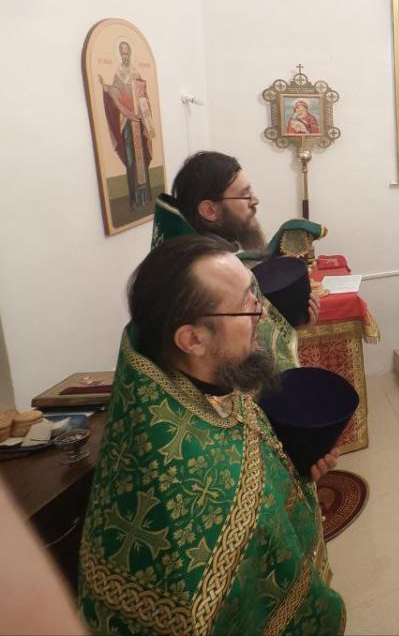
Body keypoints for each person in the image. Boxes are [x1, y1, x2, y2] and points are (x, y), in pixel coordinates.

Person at [77, 236, 343, 634]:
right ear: (193, 339)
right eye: (246, 304)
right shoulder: (176, 478)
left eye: (255, 294)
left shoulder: (203, 384)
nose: (261, 312)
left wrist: (298, 472)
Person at [150, 151, 320, 369]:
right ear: (210, 210)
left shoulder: (194, 254)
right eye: (245, 195)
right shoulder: (202, 271)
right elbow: (230, 355)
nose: (255, 201)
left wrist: (290, 326)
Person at [98, 39, 156, 210]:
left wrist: (143, 106)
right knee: (131, 161)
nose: (125, 56)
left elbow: (143, 94)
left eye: (126, 52)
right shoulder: (118, 73)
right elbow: (114, 93)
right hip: (127, 124)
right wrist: (105, 86)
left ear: (130, 53)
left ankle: (146, 197)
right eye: (122, 53)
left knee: (142, 159)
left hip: (139, 121)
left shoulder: (136, 72)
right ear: (120, 54)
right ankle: (135, 200)